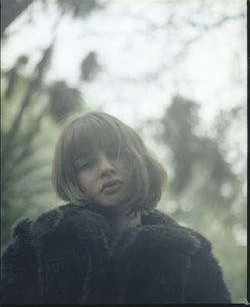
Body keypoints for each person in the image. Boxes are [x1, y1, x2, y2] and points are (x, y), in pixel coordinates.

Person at [1, 112, 231, 304]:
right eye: (86, 163)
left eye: (115, 153)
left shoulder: (192, 255)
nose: (105, 168)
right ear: (74, 180)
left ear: (136, 157)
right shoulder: (36, 245)